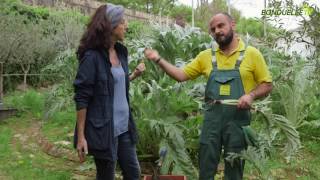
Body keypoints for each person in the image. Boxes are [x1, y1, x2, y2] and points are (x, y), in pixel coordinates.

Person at [144, 12, 272, 180]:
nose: (217, 31)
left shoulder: (252, 54)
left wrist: (251, 95)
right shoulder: (206, 56)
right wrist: (158, 59)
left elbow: (267, 84)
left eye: (221, 25)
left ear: (232, 25)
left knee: (235, 166)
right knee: (206, 165)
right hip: (212, 119)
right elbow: (181, 75)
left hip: (238, 120)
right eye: (213, 29)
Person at [73, 3, 144, 180]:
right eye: (123, 21)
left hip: (124, 126)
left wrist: (134, 75)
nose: (126, 25)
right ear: (111, 26)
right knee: (106, 176)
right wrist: (81, 137)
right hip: (104, 130)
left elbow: (113, 84)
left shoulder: (120, 52)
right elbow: (82, 97)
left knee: (134, 174)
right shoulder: (92, 57)